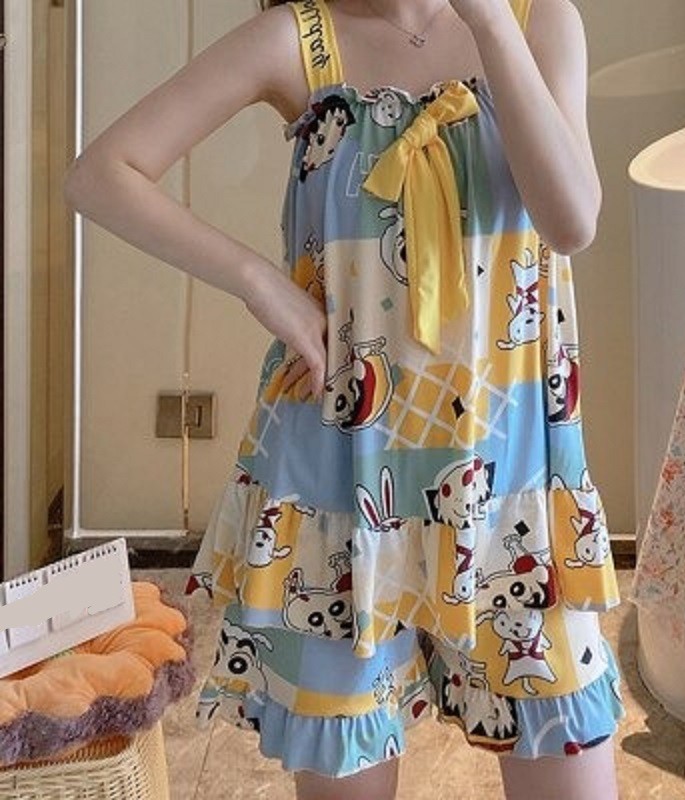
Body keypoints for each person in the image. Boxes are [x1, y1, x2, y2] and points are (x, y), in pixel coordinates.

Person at [63, 1, 623, 798]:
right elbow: (100, 174)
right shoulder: (299, 40)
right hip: (340, 494)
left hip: (514, 490)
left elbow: (572, 221)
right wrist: (259, 283)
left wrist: (493, 24)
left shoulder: (537, 22)